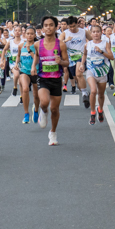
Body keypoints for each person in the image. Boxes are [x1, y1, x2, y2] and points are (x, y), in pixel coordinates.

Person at [34, 16, 69, 145]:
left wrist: (61, 61)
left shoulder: (61, 44)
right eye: (46, 25)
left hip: (56, 79)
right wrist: (33, 67)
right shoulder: (38, 44)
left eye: (51, 25)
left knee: (55, 109)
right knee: (44, 102)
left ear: (56, 27)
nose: (48, 27)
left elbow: (67, 62)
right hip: (43, 78)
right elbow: (36, 57)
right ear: (42, 28)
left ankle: (53, 132)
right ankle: (43, 111)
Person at [81, 24, 113, 125]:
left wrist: (102, 52)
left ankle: (100, 109)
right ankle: (92, 112)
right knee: (93, 91)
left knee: (101, 94)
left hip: (102, 71)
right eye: (93, 32)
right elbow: (85, 54)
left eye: (97, 32)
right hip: (91, 70)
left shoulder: (105, 43)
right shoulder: (88, 44)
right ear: (91, 33)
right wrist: (82, 64)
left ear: (101, 33)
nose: (96, 34)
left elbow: (111, 57)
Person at [60, 16, 92, 105]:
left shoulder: (84, 32)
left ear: (77, 24)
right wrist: (66, 40)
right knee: (76, 78)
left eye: (74, 26)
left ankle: (84, 93)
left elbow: (92, 40)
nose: (72, 28)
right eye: (70, 27)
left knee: (79, 74)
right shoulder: (65, 33)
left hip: (81, 56)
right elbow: (57, 44)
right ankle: (82, 89)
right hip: (70, 58)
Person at [16, 27, 40, 124]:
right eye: (27, 33)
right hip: (24, 71)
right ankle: (26, 114)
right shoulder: (21, 45)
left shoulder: (37, 46)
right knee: (25, 89)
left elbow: (37, 59)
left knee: (36, 95)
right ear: (24, 34)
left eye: (31, 34)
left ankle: (36, 110)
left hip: (36, 72)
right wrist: (16, 63)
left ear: (35, 35)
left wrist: (30, 51)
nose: (29, 35)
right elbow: (18, 55)